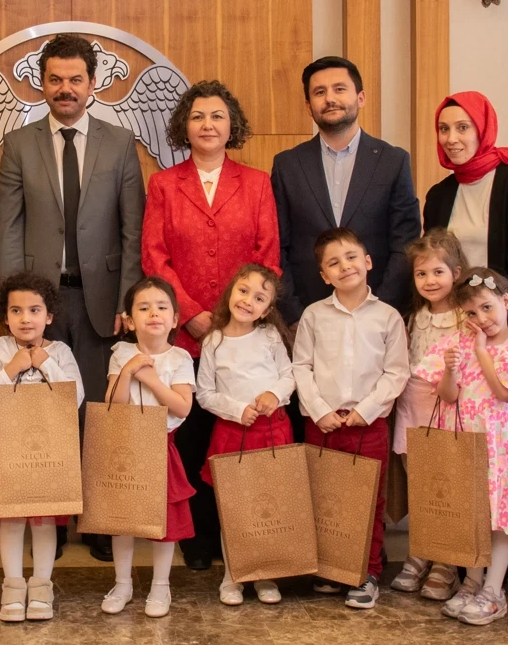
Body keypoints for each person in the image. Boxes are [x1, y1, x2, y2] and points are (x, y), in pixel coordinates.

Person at [0, 33, 145, 561]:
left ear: (92, 82)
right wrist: (15, 307)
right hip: (41, 303)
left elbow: (132, 229)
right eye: (55, 79)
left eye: (75, 79)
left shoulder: (119, 143)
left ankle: (100, 521)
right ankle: (51, 519)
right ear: (41, 83)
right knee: (44, 411)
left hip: (103, 300)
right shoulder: (19, 144)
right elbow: (8, 230)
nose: (65, 88)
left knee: (99, 411)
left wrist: (129, 298)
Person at [141, 79, 281, 570]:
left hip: (243, 335)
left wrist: (232, 318)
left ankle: (242, 539)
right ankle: (197, 543)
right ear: (185, 125)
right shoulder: (163, 184)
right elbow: (154, 256)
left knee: (240, 436)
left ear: (231, 125)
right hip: (184, 334)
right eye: (198, 116)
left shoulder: (257, 183)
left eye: (217, 116)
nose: (207, 124)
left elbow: (267, 257)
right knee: (192, 439)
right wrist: (190, 313)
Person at [414, 268, 508, 626]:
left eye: (487, 308)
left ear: (506, 302)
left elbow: (505, 393)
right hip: (464, 443)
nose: (481, 319)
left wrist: (483, 352)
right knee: (469, 515)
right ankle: (471, 583)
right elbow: (448, 396)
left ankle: (494, 591)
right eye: (471, 313)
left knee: (499, 518)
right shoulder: (459, 342)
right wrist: (451, 370)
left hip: (498, 446)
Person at [292, 227, 409, 609]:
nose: (345, 266)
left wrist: (366, 410)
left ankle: (366, 572)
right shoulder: (314, 315)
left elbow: (396, 372)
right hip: (322, 423)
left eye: (351, 257)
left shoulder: (388, 317)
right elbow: (301, 366)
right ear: (324, 275)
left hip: (367, 424)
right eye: (334, 263)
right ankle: (332, 567)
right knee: (324, 497)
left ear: (368, 261)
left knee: (368, 501)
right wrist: (319, 410)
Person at [271, 56, 421, 324]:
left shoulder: (393, 161)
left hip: (379, 315)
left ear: (360, 98)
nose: (330, 98)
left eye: (339, 89)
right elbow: (278, 246)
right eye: (319, 92)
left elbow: (405, 244)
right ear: (308, 106)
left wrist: (381, 310)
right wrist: (295, 314)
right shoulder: (287, 165)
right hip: (307, 316)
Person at [0, 273, 84, 622]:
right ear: (5, 317)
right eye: (16, 310)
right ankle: (13, 585)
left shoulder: (60, 352)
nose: (25, 318)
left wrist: (44, 363)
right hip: (6, 445)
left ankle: (41, 586)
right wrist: (11, 369)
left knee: (44, 518)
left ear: (49, 316)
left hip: (49, 447)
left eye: (35, 310)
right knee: (12, 516)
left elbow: (76, 397)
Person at [195, 264, 295, 606]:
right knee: (235, 509)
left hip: (272, 431)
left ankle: (265, 574)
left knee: (268, 506)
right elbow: (204, 393)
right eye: (243, 291)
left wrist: (274, 394)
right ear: (231, 292)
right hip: (232, 433)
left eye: (259, 298)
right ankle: (233, 575)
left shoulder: (269, 336)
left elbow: (289, 375)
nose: (248, 301)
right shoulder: (214, 341)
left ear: (266, 310)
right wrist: (237, 409)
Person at [100, 278, 196, 619]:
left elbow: (182, 408)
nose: (153, 313)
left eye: (161, 307)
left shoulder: (180, 357)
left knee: (164, 521)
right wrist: (128, 371)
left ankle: (160, 585)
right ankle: (122, 583)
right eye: (143, 308)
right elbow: (113, 405)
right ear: (129, 321)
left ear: (174, 319)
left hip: (161, 446)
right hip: (127, 447)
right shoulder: (121, 354)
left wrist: (152, 380)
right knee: (122, 519)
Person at [424, 91, 508, 329]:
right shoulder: (438, 195)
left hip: (499, 323)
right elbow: (429, 264)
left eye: (462, 127)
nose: (451, 138)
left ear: (483, 130)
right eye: (444, 129)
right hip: (448, 322)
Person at [388, 229, 469, 602]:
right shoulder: (412, 317)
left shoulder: (465, 318)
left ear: (456, 272)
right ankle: (420, 551)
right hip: (411, 407)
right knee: (418, 484)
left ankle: (446, 562)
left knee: (445, 486)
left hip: (447, 409)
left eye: (438, 271)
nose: (430, 280)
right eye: (421, 273)